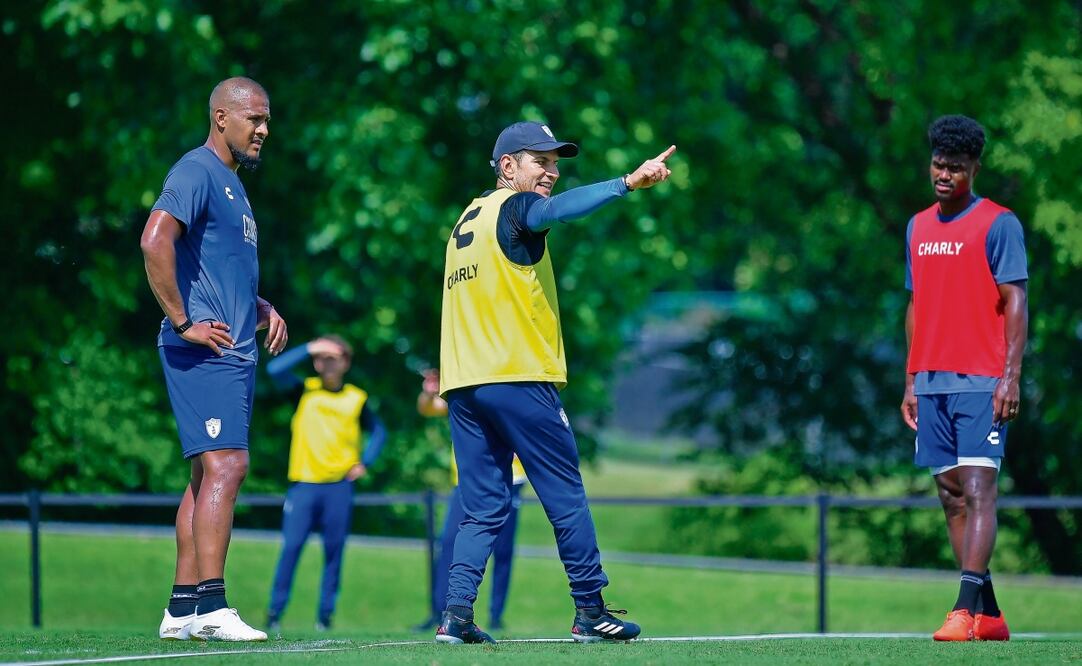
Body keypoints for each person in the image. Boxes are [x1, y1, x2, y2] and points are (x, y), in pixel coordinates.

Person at [435, 121, 676, 644]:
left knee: (482, 506)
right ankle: (590, 610)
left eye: (555, 162)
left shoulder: (466, 219)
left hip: (464, 384)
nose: (552, 171)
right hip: (517, 377)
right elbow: (555, 211)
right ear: (507, 167)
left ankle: (455, 614)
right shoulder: (515, 207)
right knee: (565, 494)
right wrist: (627, 183)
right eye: (540, 161)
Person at [142, 76, 287, 642]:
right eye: (255, 119)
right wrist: (184, 322)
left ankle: (181, 609)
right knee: (229, 466)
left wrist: (261, 306)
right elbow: (155, 240)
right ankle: (212, 605)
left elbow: (219, 270)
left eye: (267, 120)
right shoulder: (196, 170)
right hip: (205, 350)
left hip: (233, 348)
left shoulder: (232, 185)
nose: (264, 130)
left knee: (207, 476)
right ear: (222, 118)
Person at [901, 115, 1028, 642]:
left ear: (975, 168)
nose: (945, 175)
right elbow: (915, 303)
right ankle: (990, 615)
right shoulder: (917, 225)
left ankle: (961, 608)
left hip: (981, 378)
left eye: (956, 167)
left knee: (979, 488)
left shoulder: (1000, 223)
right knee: (951, 496)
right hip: (930, 380)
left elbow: (1016, 299)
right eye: (938, 165)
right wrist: (910, 377)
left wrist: (1010, 375)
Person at [264, 336, 387, 633]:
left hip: (338, 487)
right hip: (303, 485)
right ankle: (275, 613)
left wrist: (365, 462)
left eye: (333, 358)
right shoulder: (303, 390)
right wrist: (310, 347)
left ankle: (325, 616)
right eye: (321, 358)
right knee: (291, 548)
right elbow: (274, 369)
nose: (326, 364)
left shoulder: (357, 398)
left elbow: (379, 432)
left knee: (334, 551)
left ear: (345, 363)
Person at [414, 369, 526, 633]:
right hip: (466, 482)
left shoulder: (509, 388)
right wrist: (429, 392)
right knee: (450, 543)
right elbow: (428, 409)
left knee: (503, 550)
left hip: (511, 479)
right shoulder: (463, 392)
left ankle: (496, 615)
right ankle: (441, 612)